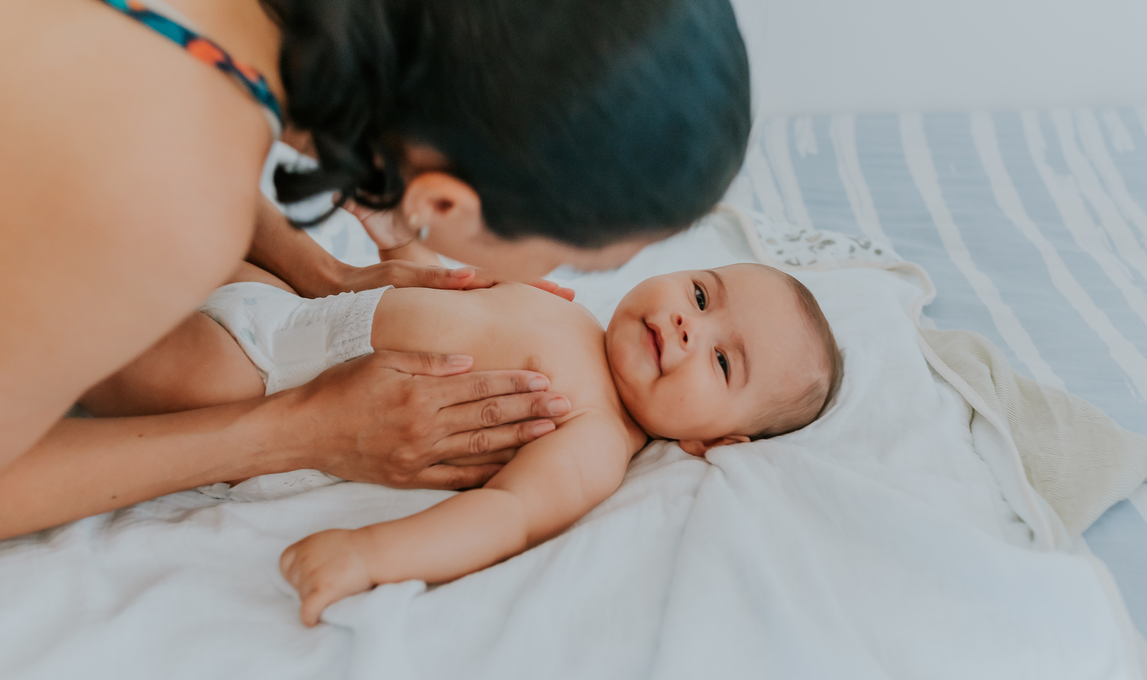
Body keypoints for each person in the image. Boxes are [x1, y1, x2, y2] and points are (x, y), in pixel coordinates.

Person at [0, 0, 750, 538]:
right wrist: (299, 430)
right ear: (445, 203)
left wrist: (322, 273)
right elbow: (138, 186)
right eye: (575, 259)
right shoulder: (169, 205)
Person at [83, 217, 841, 626]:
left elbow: (505, 516)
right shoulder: (566, 304)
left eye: (722, 362)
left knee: (104, 336)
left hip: (258, 379)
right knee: (172, 219)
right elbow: (443, 288)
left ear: (713, 439)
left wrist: (370, 556)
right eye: (702, 296)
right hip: (290, 306)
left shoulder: (595, 436)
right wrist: (396, 235)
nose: (686, 327)